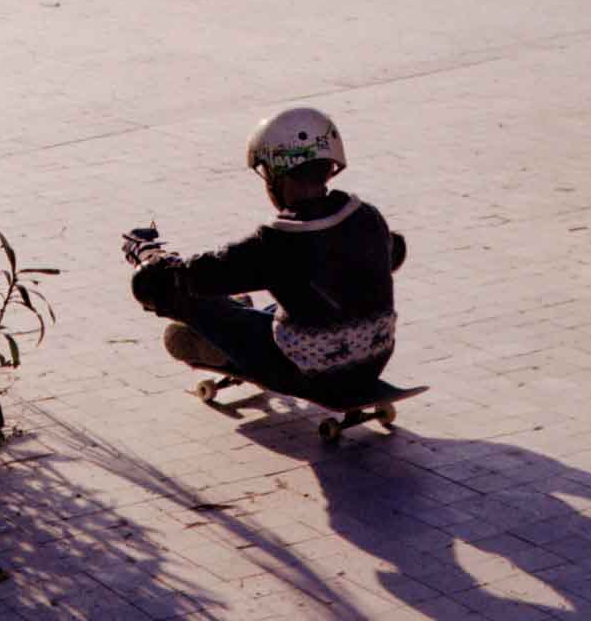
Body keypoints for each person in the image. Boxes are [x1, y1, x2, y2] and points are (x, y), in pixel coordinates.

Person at [124, 107, 406, 404]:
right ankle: (238, 316)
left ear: (276, 175)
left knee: (190, 299)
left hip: (307, 372)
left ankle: (219, 335)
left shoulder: (276, 243)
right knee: (311, 295)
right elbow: (395, 253)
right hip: (374, 358)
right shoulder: (368, 218)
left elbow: (180, 279)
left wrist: (148, 256)